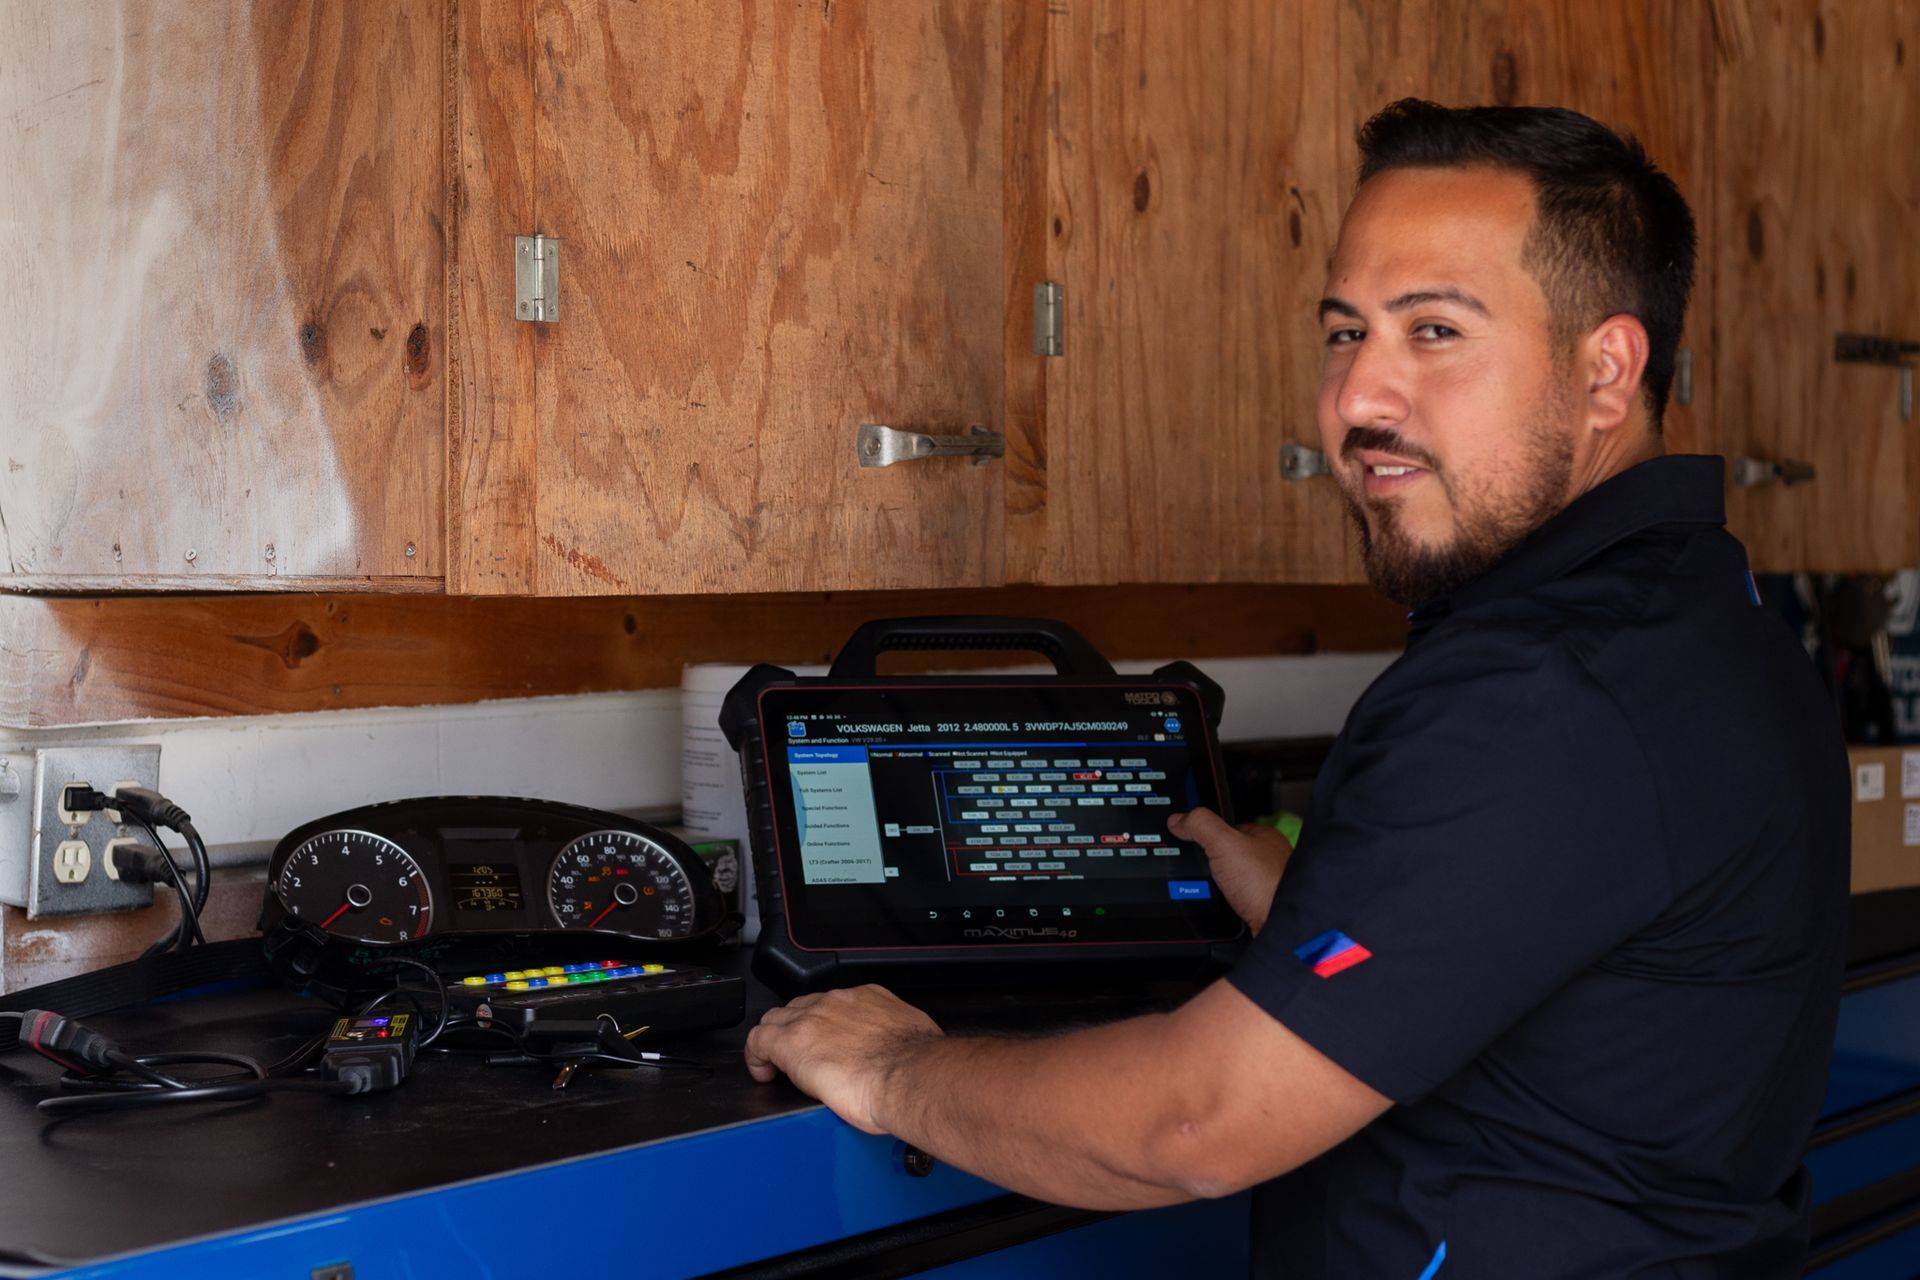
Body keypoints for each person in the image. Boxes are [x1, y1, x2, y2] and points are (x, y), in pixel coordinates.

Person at [744, 99, 1849, 1278]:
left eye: (1434, 331)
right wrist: (1326, 900)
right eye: (1343, 332)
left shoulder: (1537, 687)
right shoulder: (1701, 614)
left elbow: (1193, 1122)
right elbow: (1559, 956)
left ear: (1605, 369)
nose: (1360, 399)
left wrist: (893, 1066)